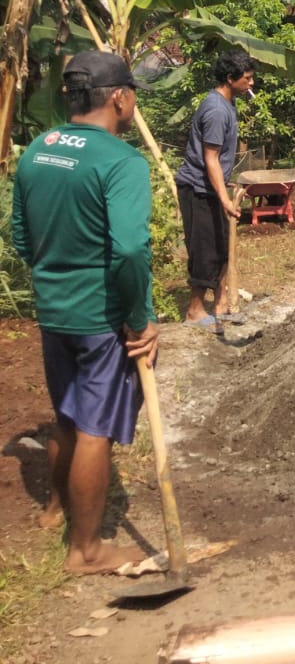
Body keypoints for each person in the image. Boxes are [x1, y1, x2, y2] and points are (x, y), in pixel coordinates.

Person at [12, 51, 159, 573]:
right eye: (133, 93)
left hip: (54, 312)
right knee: (95, 428)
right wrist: (139, 317)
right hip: (102, 319)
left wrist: (54, 275)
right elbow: (128, 251)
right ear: (119, 97)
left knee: (67, 417)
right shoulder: (120, 162)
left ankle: (56, 510)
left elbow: (21, 236)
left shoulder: (38, 150)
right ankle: (87, 549)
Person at [174, 48, 255, 332]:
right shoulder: (217, 110)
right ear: (230, 78)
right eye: (247, 78)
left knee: (222, 249)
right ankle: (195, 310)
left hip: (213, 186)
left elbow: (217, 159)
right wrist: (224, 199)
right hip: (198, 189)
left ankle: (221, 306)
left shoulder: (227, 104)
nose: (251, 83)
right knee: (205, 252)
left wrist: (225, 184)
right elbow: (209, 158)